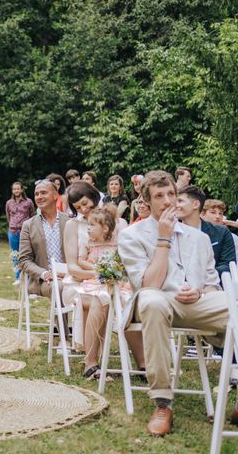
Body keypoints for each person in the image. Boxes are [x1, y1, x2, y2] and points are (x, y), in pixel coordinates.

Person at [118, 170, 228, 437]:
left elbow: (212, 284)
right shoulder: (132, 236)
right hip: (158, 303)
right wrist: (163, 239)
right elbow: (150, 285)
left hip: (195, 304)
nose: (168, 201)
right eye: (159, 196)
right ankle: (163, 403)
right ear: (146, 200)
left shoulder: (200, 238)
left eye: (171, 194)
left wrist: (201, 292)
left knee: (231, 301)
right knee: (152, 300)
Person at [64, 181, 142, 380]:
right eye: (78, 207)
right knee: (103, 298)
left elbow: (125, 256)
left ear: (93, 195)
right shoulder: (72, 225)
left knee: (124, 300)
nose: (83, 209)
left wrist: (113, 276)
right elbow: (73, 266)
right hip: (81, 281)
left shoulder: (117, 222)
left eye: (85, 203)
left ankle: (142, 364)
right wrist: (101, 274)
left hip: (115, 279)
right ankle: (91, 363)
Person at [17, 179, 69, 299]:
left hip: (69, 276)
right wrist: (44, 274)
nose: (39, 197)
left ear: (55, 195)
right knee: (59, 287)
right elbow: (24, 260)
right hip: (43, 281)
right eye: (36, 194)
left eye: (44, 193)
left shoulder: (69, 221)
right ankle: (61, 319)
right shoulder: (28, 225)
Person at [176, 185, 235, 279]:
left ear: (195, 204)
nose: (176, 205)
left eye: (180, 201)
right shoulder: (170, 231)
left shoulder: (221, 232)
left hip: (211, 286)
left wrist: (201, 278)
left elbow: (227, 265)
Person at [5, 181, 34, 284]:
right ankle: (18, 277)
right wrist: (12, 225)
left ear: (22, 190)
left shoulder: (28, 202)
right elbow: (8, 216)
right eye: (14, 189)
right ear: (12, 191)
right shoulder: (9, 203)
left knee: (26, 254)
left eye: (18, 188)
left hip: (25, 232)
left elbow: (32, 215)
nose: (16, 190)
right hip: (13, 231)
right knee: (15, 254)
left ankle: (27, 276)